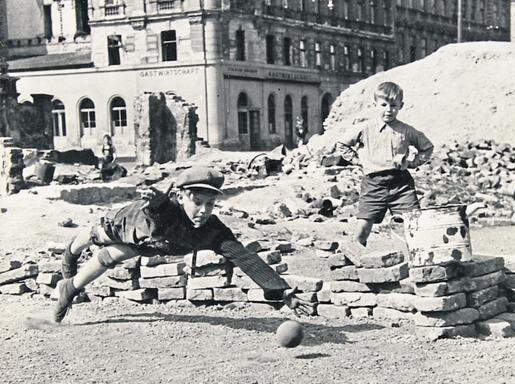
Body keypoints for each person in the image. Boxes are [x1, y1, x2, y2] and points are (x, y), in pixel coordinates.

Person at [54, 166, 314, 323]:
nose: (203, 210)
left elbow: (245, 258)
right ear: (181, 197)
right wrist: (157, 203)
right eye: (197, 202)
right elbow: (162, 213)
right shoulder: (169, 210)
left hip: (162, 245)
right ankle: (70, 253)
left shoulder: (214, 230)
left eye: (210, 204)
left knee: (111, 257)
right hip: (136, 225)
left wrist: (282, 292)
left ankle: (70, 289)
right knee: (97, 235)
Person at [336, 81, 434, 247]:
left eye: (394, 105)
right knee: (363, 226)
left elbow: (427, 147)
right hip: (373, 184)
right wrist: (358, 161)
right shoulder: (364, 128)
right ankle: (355, 257)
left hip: (401, 184)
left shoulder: (407, 130)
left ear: (401, 106)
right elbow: (342, 144)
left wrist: (412, 163)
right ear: (375, 104)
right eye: (383, 105)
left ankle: (421, 259)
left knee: (414, 224)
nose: (389, 110)